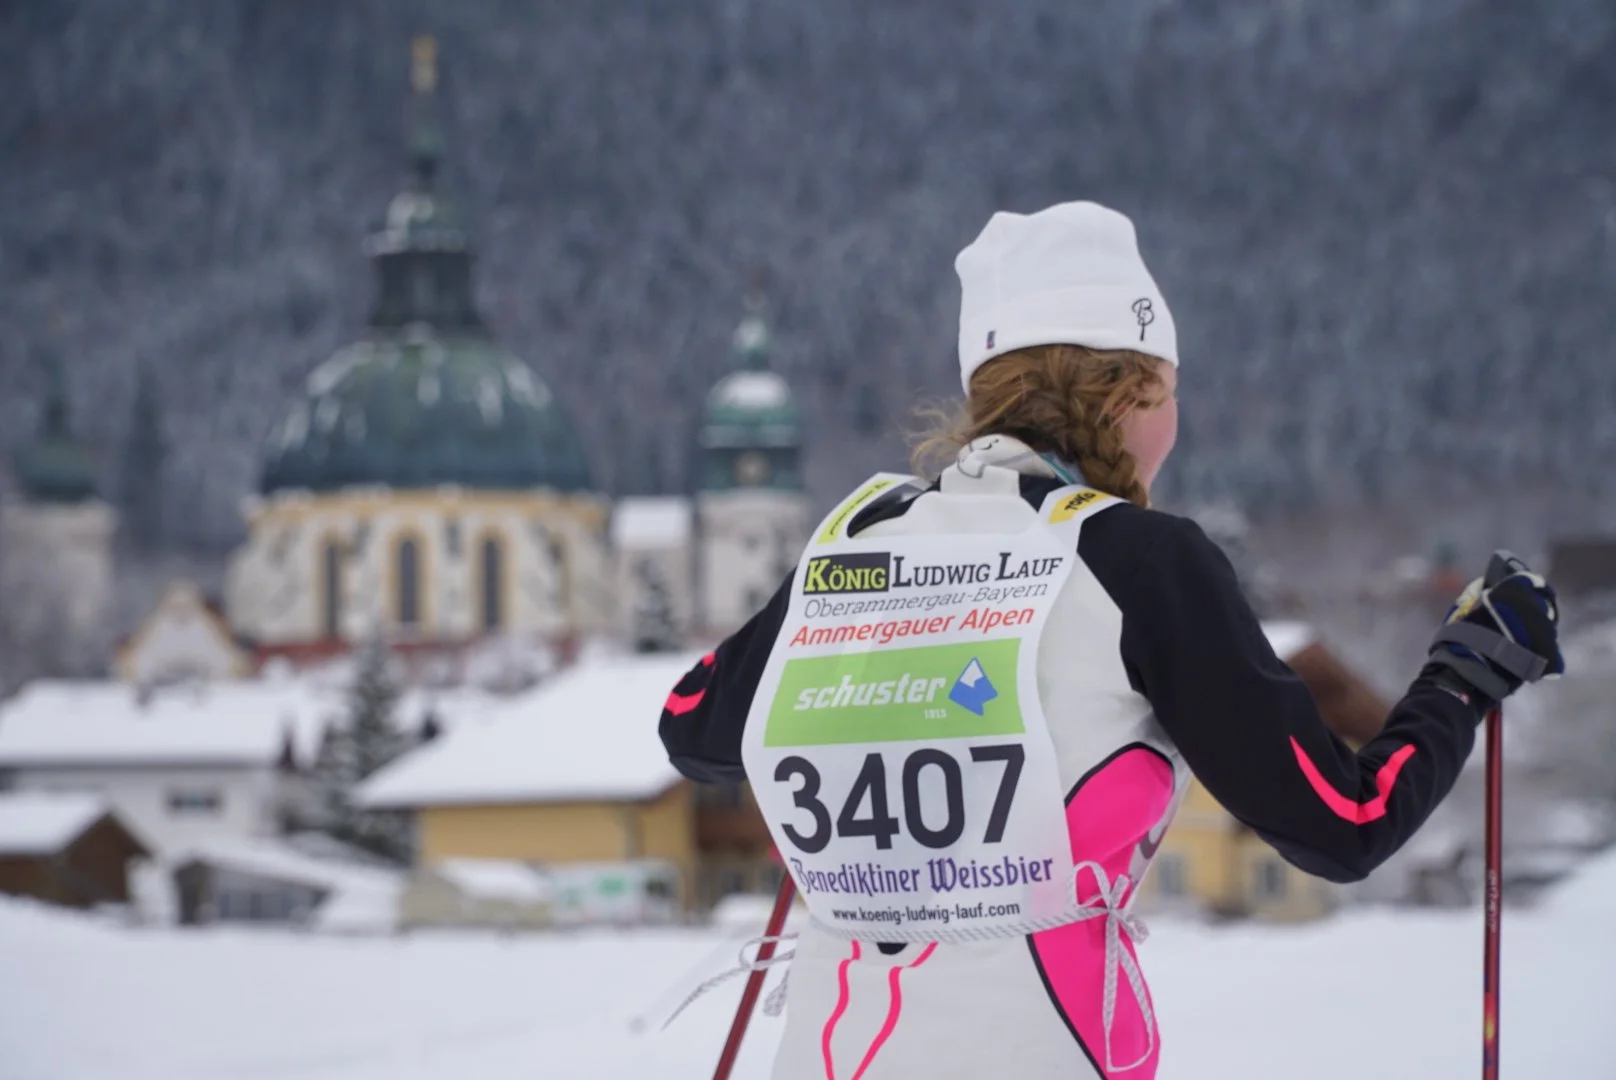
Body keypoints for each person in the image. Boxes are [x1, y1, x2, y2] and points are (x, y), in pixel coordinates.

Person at [658, 201, 1563, 1079]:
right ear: (1130, 390)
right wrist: (1466, 671)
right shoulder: (1140, 564)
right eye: (1171, 389)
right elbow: (1345, 822)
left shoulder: (860, 541)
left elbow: (693, 724)